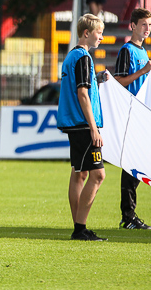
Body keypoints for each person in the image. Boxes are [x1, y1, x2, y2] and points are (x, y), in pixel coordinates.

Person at [57, 13, 107, 241]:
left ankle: (79, 227)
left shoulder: (71, 57)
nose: (102, 38)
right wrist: (94, 128)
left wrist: (97, 79)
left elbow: (79, 85)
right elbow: (82, 94)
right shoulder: (84, 57)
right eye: (99, 33)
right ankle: (80, 227)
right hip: (82, 124)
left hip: (72, 123)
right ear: (87, 33)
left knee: (79, 173)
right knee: (98, 175)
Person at [114, 8, 151, 230]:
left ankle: (129, 215)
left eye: (149, 25)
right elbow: (118, 81)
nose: (147, 29)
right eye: (143, 25)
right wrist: (143, 72)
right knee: (132, 166)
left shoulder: (143, 52)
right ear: (132, 26)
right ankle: (128, 216)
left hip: (142, 114)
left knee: (137, 164)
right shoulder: (127, 51)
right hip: (130, 113)